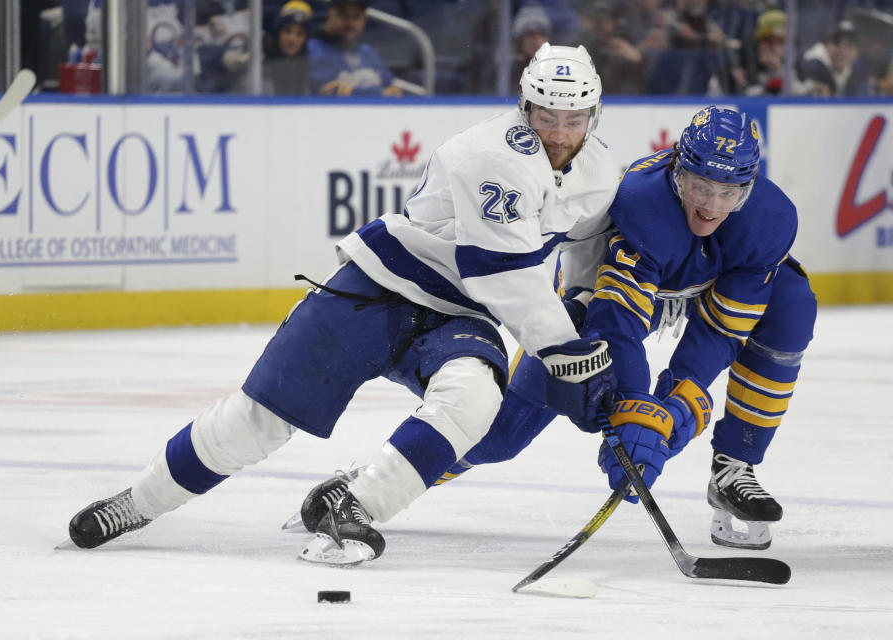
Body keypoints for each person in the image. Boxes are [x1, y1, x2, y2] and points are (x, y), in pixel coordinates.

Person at [66, 43, 622, 564]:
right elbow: (501, 273)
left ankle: (355, 507)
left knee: (474, 398)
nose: (558, 132)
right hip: (380, 284)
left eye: (573, 119)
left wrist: (579, 306)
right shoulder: (491, 155)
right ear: (524, 105)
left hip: (456, 312)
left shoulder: (598, 172)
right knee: (258, 422)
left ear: (594, 114)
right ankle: (136, 503)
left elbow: (586, 243)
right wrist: (568, 352)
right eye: (545, 115)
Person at [301, 106, 817, 552]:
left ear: (750, 188)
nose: (709, 206)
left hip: (692, 294)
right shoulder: (641, 200)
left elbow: (723, 328)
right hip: (608, 302)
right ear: (676, 173)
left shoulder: (770, 220)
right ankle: (373, 483)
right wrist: (634, 406)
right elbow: (618, 320)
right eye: (699, 186)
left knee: (792, 303)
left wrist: (680, 401)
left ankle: (734, 467)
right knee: (503, 434)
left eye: (728, 193)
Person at [306, 0, 402, 96]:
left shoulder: (367, 51)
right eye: (344, 15)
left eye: (356, 16)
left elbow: (393, 89)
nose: (350, 22)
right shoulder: (312, 50)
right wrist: (380, 94)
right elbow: (331, 92)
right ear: (330, 16)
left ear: (364, 19)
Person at [799, 20, 875, 97]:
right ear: (827, 45)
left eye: (849, 45)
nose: (842, 51)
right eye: (837, 43)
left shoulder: (859, 67)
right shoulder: (814, 63)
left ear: (857, 51)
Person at [263, 0, 313, 95]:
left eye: (299, 34)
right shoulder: (259, 62)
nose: (292, 39)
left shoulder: (313, 64)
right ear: (278, 34)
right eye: (287, 31)